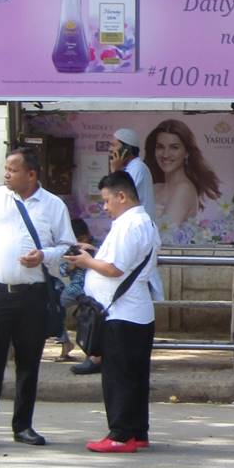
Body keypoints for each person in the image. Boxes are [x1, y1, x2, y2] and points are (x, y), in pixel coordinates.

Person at [0, 148, 75, 450]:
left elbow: (67, 248)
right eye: (5, 168)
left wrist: (45, 255)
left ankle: (23, 425)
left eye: (13, 170)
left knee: (28, 363)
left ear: (31, 174)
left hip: (33, 295)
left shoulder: (53, 206)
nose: (6, 174)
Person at [65, 170, 161, 453]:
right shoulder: (143, 223)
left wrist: (86, 262)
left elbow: (114, 268)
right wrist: (94, 252)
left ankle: (120, 434)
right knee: (135, 376)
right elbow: (121, 262)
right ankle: (136, 431)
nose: (105, 207)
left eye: (107, 200)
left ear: (122, 196)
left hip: (123, 314)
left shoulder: (129, 225)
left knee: (118, 377)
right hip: (135, 313)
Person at [144, 118, 222, 235]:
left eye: (174, 147)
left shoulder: (184, 189)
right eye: (160, 147)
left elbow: (164, 236)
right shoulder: (154, 187)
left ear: (187, 152)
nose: (165, 154)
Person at [48, 217, 94, 362]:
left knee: (54, 309)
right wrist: (71, 265)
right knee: (54, 308)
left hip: (92, 288)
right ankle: (65, 343)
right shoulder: (71, 249)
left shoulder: (97, 247)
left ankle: (89, 351)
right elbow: (63, 271)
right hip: (76, 289)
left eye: (82, 239)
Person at [110, 127, 155, 218]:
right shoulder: (129, 168)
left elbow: (119, 197)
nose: (111, 149)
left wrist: (115, 171)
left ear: (126, 150)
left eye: (114, 145)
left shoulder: (138, 168)